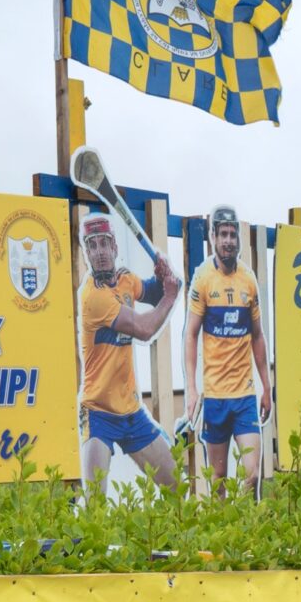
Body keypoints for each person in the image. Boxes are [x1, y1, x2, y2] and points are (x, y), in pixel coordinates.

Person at [78, 210, 180, 490]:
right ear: (87, 253)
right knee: (94, 505)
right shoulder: (93, 297)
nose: (99, 252)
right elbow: (144, 328)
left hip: (132, 413)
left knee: (175, 486)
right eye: (92, 245)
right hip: (98, 412)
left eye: (104, 243)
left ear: (114, 247)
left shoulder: (126, 280)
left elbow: (154, 293)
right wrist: (170, 296)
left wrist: (163, 277)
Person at [185, 206, 271, 486]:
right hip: (215, 397)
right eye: (223, 234)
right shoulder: (203, 279)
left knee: (252, 475)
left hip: (245, 396)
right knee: (218, 479)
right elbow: (191, 334)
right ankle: (224, 517)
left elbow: (257, 336)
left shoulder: (248, 279)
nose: (228, 241)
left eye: (233, 235)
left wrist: (267, 388)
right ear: (213, 237)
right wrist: (191, 389)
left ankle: (246, 517)